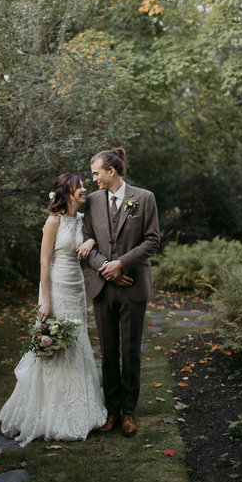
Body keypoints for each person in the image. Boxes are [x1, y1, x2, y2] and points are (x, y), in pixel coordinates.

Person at [0, 173, 108, 443]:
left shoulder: (83, 221)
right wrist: (46, 301)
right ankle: (47, 412)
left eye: (83, 185)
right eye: (79, 186)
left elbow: (94, 241)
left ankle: (81, 407)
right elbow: (44, 264)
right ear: (66, 193)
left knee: (76, 342)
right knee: (54, 345)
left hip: (76, 288)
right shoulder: (53, 222)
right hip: (56, 288)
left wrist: (91, 241)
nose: (84, 189)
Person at [82, 148, 160, 437]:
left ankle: (129, 412)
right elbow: (86, 240)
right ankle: (111, 412)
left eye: (96, 173)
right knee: (108, 352)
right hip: (103, 288)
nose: (93, 179)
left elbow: (153, 240)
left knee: (130, 351)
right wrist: (105, 265)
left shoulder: (144, 198)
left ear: (111, 171)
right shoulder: (91, 202)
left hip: (132, 287)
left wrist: (121, 264)